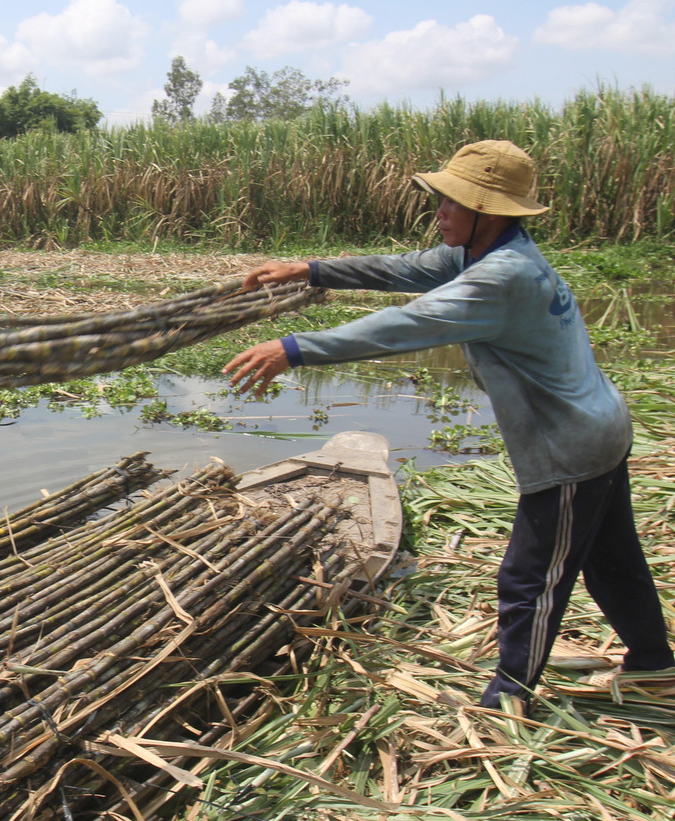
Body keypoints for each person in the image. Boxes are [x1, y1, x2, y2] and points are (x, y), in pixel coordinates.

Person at [223, 139, 675, 712]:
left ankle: (509, 699)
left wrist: (294, 349)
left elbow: (408, 325)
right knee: (612, 558)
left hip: (572, 446)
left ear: (487, 210)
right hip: (601, 423)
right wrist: (312, 269)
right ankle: (654, 665)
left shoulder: (502, 276)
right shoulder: (483, 253)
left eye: (452, 201)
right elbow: (402, 270)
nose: (440, 211)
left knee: (530, 578)